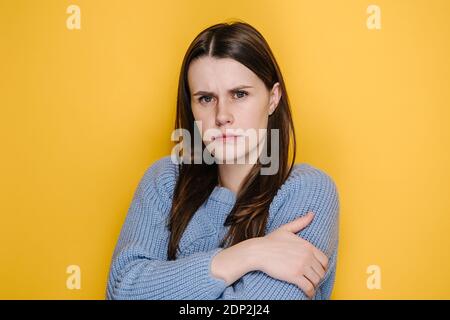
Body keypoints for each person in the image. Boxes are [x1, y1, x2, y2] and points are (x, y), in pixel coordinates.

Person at [106, 21, 340, 300]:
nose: (222, 116)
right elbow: (123, 291)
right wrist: (247, 255)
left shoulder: (309, 191)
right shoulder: (164, 181)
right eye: (206, 98)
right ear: (191, 107)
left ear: (273, 98)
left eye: (239, 94)